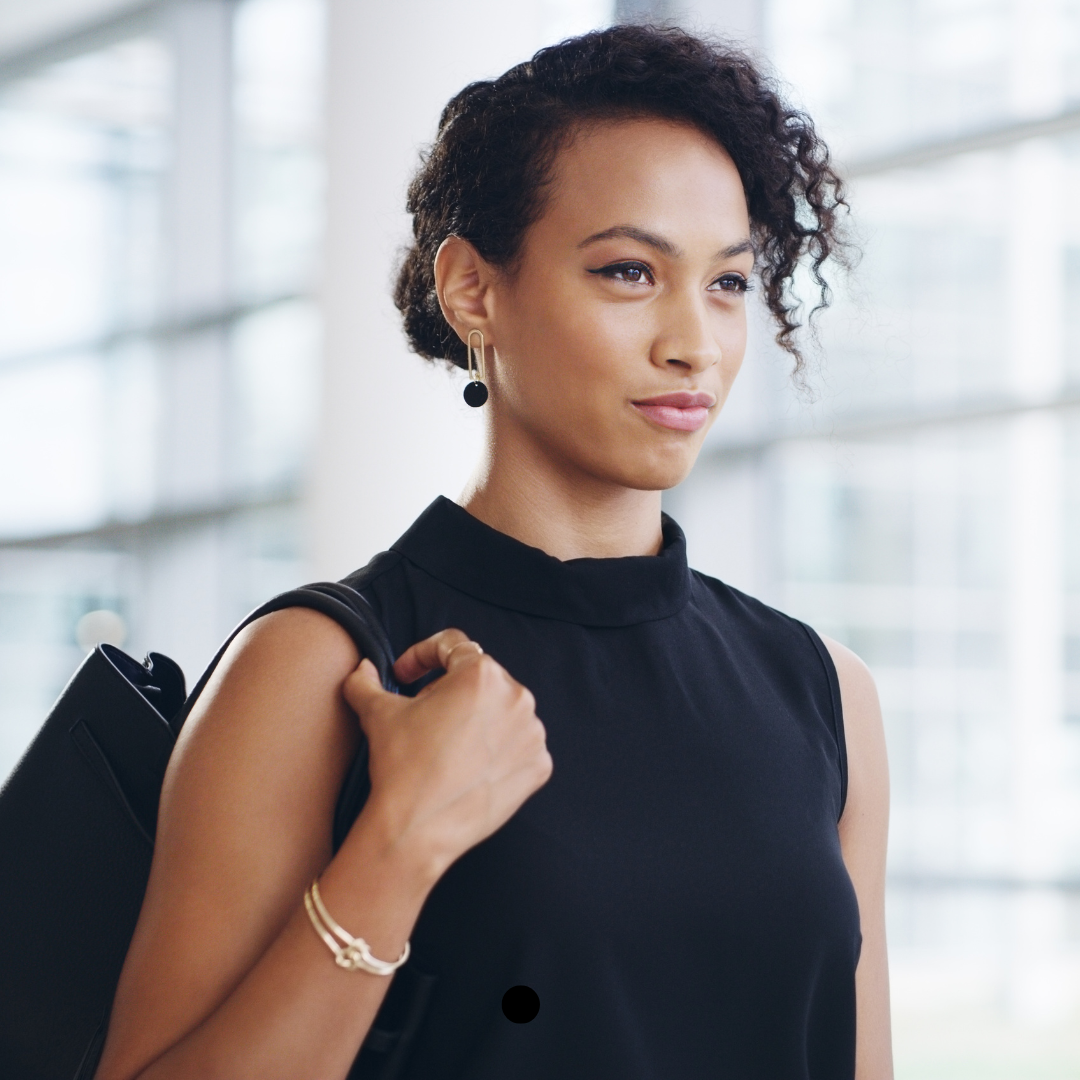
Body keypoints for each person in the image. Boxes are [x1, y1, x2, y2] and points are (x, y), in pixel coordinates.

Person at [95, 24, 891, 1080]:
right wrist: (402, 840)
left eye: (729, 283)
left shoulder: (824, 691)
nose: (692, 341)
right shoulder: (319, 667)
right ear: (474, 290)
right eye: (627, 271)